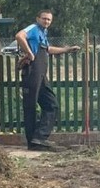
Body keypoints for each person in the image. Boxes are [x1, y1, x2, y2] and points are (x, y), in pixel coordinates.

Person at [14, 10, 80, 151]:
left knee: (52, 105)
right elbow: (19, 36)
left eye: (49, 20)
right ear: (38, 18)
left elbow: (48, 49)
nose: (46, 22)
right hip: (32, 72)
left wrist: (67, 49)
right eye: (44, 19)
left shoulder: (43, 33)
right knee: (30, 107)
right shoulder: (33, 28)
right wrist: (29, 53)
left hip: (41, 75)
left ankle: (40, 137)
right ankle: (33, 142)